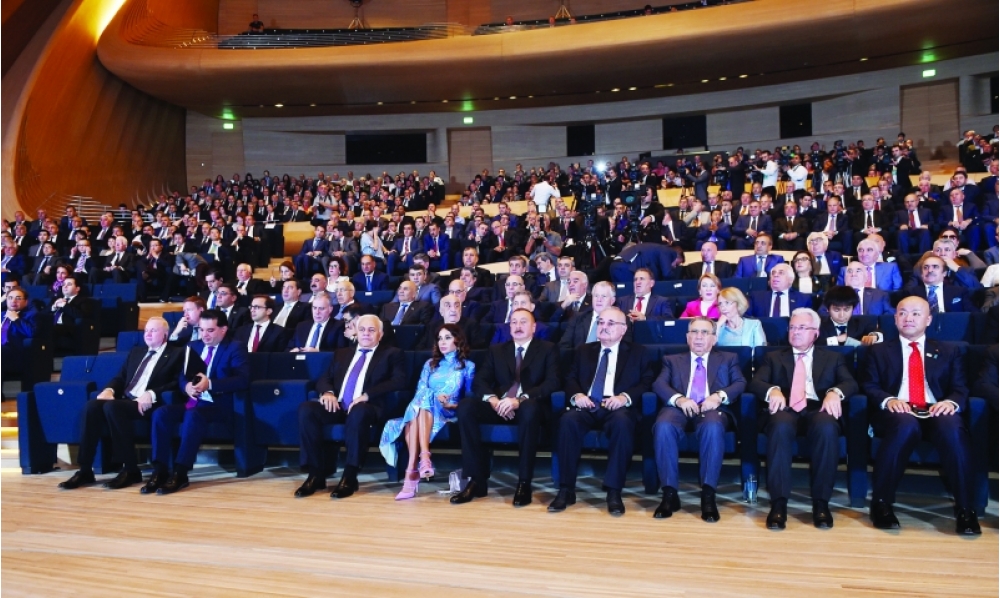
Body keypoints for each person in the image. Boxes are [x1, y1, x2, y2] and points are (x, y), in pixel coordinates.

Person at [863, 297, 981, 535]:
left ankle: (966, 509)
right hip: (898, 411)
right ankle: (882, 503)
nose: (908, 318)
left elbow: (960, 388)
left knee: (952, 428)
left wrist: (950, 403)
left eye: (916, 313)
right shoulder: (878, 351)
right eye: (902, 313)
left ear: (928, 320)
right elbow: (869, 385)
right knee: (905, 425)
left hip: (936, 409)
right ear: (895, 318)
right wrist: (889, 400)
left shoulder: (949, 351)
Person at [748, 308, 859, 530]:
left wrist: (835, 392)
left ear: (815, 333)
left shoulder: (833, 357)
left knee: (827, 427)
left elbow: (851, 383)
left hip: (818, 408)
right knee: (779, 426)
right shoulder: (773, 357)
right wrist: (773, 390)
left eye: (801, 328)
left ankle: (821, 503)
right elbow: (756, 383)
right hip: (786, 407)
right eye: (792, 327)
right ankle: (778, 503)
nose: (795, 332)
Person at [58, 318, 192, 490]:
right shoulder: (136, 352)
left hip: (150, 403)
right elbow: (120, 378)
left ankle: (130, 469)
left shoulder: (176, 353)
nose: (148, 334)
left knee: (112, 407)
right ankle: (85, 470)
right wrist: (109, 390)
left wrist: (152, 393)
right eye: (146, 331)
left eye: (153, 330)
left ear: (165, 334)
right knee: (92, 406)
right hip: (127, 400)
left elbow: (176, 383)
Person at [548, 307, 655, 515]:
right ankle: (566, 489)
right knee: (568, 420)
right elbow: (570, 378)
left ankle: (614, 491)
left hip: (616, 407)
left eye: (610, 323)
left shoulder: (638, 352)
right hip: (587, 405)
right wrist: (577, 396)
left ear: (623, 329)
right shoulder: (583, 350)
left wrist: (624, 397)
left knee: (623, 423)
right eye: (601, 322)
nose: (604, 327)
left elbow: (646, 381)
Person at [451, 308, 560, 506]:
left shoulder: (547, 349)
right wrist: (493, 400)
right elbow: (480, 381)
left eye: (523, 322)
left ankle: (524, 482)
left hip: (529, 407)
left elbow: (552, 382)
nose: (518, 326)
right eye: (514, 322)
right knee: (466, 406)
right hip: (499, 405)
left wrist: (520, 400)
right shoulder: (497, 350)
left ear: (534, 327)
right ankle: (476, 480)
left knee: (530, 409)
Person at [295, 315, 407, 498]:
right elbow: (325, 378)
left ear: (380, 334)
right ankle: (315, 474)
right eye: (362, 329)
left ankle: (350, 475)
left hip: (368, 407)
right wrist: (328, 393)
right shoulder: (342, 353)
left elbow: (399, 380)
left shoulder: (392, 353)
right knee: (307, 410)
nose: (366, 333)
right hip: (338, 406)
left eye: (371, 330)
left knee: (359, 411)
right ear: (356, 332)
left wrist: (367, 395)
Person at [651, 317, 746, 521]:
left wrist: (718, 396)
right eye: (694, 332)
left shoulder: (728, 358)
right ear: (687, 337)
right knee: (663, 425)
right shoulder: (672, 360)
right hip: (679, 407)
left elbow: (740, 382)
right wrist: (679, 399)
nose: (699, 337)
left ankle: (708, 495)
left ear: (714, 338)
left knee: (712, 426)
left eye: (704, 332)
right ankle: (669, 494)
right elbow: (659, 384)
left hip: (712, 408)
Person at [146, 309, 249, 494]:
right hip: (192, 402)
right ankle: (160, 470)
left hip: (219, 405)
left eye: (210, 330)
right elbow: (181, 375)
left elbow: (242, 379)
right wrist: (186, 386)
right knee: (161, 413)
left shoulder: (235, 347)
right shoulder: (193, 346)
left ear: (223, 329)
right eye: (201, 330)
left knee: (193, 415)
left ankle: (180, 473)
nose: (204, 335)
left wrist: (211, 384)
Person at [378, 324, 476, 500]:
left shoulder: (467, 366)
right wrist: (434, 397)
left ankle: (413, 471)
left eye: (447, 338)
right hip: (424, 409)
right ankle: (421, 461)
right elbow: (420, 392)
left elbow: (469, 397)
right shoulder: (430, 364)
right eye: (439, 338)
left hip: (448, 412)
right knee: (425, 397)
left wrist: (453, 405)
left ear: (458, 340)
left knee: (421, 405)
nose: (442, 342)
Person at [902, 255, 974, 313]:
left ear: (944, 273)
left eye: (935, 267)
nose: (930, 270)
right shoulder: (911, 293)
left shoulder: (959, 292)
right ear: (921, 274)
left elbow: (973, 314)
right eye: (926, 267)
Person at [817, 286, 882, 346]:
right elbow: (814, 343)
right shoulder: (818, 325)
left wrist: (874, 336)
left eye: (846, 309)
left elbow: (878, 332)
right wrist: (836, 339)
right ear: (828, 309)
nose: (842, 315)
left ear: (853, 308)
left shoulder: (862, 323)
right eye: (836, 310)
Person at [1, 287, 38, 377]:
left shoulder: (31, 315)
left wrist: (16, 319)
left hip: (15, 352)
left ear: (26, 302)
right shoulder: (1, 315)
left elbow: (31, 333)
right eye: (10, 298)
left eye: (18, 298)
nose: (13, 301)